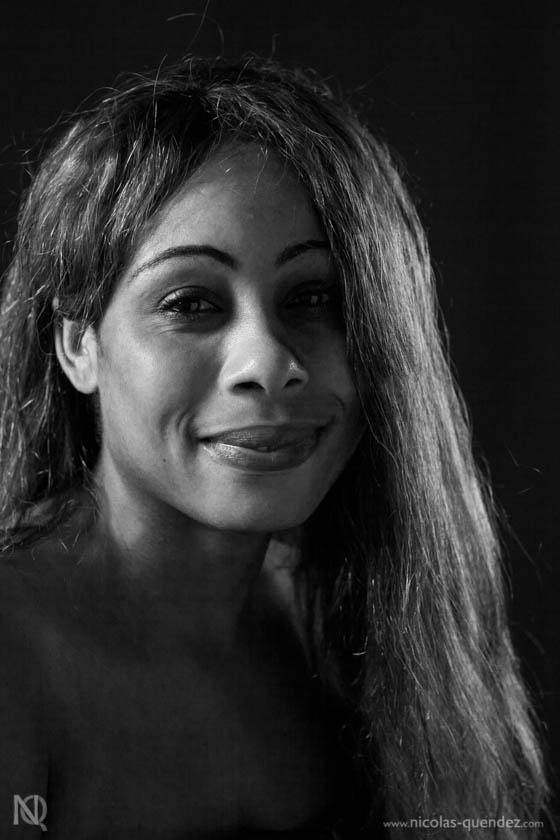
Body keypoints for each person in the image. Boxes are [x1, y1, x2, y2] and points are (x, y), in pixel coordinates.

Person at [0, 55, 549, 839]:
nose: (268, 363)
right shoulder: (14, 657)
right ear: (78, 345)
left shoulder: (346, 626)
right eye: (191, 302)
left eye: (314, 297)